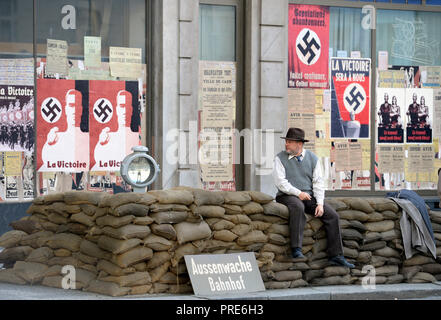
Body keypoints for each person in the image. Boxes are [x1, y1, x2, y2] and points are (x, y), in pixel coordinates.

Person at [273, 127, 354, 268]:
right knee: (297, 207)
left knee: (332, 215)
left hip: (308, 195)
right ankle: (296, 249)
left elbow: (318, 183)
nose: (286, 144)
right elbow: (281, 183)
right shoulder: (279, 158)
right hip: (287, 195)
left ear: (299, 144)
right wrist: (298, 193)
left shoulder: (313, 158)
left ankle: (336, 255)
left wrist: (320, 204)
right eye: (286, 141)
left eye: (289, 142)